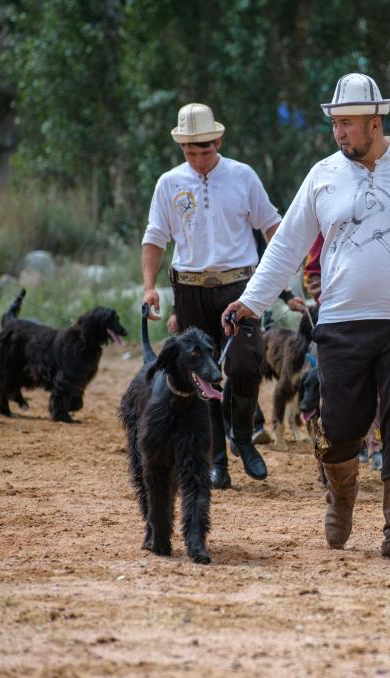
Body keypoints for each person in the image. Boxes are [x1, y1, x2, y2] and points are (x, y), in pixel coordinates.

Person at [222, 73, 390, 565]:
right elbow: (287, 244)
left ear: (375, 122)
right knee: (339, 425)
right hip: (342, 322)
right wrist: (251, 301)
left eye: (347, 123)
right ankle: (342, 495)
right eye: (335, 123)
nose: (339, 132)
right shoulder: (322, 174)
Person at [141, 103, 281, 489]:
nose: (198, 160)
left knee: (245, 365)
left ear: (218, 141)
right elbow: (155, 237)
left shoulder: (242, 176)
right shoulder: (169, 183)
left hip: (239, 285)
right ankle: (216, 459)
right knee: (202, 376)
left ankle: (242, 436)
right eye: (190, 153)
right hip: (189, 289)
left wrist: (277, 277)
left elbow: (273, 226)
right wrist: (149, 286)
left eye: (204, 151)